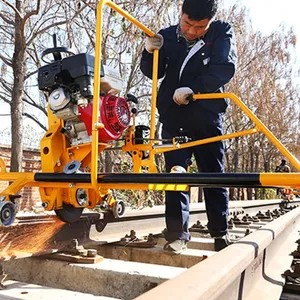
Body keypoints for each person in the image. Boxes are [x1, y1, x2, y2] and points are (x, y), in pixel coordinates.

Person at [140, 0, 237, 253]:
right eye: (187, 24)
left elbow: (224, 68)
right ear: (180, 14)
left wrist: (196, 89)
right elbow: (153, 74)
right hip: (173, 117)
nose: (192, 31)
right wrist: (149, 52)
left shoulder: (221, 32)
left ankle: (220, 232)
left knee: (213, 175)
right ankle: (177, 235)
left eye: (200, 27)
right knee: (175, 176)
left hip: (206, 116)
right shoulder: (167, 35)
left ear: (210, 22)